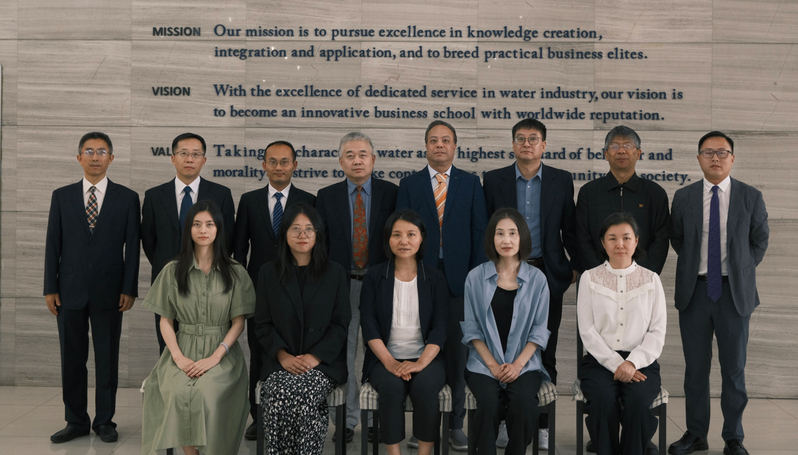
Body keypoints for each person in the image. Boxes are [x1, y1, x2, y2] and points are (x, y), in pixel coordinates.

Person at [668, 132, 769, 455]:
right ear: (699, 158)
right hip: (695, 293)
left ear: (732, 158)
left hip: (733, 295)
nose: (715, 158)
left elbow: (759, 241)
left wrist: (740, 269)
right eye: (708, 152)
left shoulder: (750, 197)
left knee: (734, 370)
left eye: (722, 152)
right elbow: (678, 239)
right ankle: (696, 434)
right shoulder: (684, 197)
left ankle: (733, 437)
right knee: (695, 370)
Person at [482, 119, 577, 447]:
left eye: (533, 139)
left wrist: (571, 269)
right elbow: (487, 230)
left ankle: (542, 424)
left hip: (546, 276)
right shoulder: (494, 180)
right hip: (504, 274)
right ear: (513, 144)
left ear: (544, 145)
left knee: (545, 352)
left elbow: (570, 229)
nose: (526, 144)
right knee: (503, 349)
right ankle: (505, 423)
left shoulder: (561, 180)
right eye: (520, 139)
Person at [396, 120, 487, 451]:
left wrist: (476, 278)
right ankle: (424, 428)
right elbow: (401, 233)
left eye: (445, 140)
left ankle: (456, 425)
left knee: (458, 355)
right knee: (421, 351)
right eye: (433, 140)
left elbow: (480, 232)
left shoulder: (470, 183)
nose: (439, 145)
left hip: (461, 281)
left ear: (454, 147)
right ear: (425, 146)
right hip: (419, 279)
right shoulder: (409, 184)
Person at [44, 132, 140, 444]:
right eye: (89, 151)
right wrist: (50, 287)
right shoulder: (62, 196)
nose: (95, 156)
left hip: (110, 292)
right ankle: (75, 420)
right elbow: (53, 244)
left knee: (107, 358)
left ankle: (104, 421)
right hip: (68, 291)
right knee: (72, 359)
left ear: (111, 158)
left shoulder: (127, 198)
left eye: (101, 151)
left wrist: (129, 288)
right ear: (79, 157)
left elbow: (133, 248)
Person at [140, 200, 255, 455]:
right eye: (197, 224)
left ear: (218, 229)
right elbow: (165, 321)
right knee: (177, 393)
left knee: (206, 393)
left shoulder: (235, 272)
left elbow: (238, 322)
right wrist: (178, 357)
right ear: (188, 229)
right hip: (182, 349)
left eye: (210, 224)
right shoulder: (172, 270)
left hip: (222, 354)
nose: (203, 230)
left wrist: (215, 357)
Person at [316, 132, 398, 442]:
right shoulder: (326, 196)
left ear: (373, 159)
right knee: (344, 353)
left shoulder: (392, 193)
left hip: (381, 284)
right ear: (340, 161)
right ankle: (347, 420)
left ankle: (377, 418)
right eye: (350, 155)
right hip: (343, 285)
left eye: (363, 154)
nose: (357, 160)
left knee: (381, 351)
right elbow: (321, 245)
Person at [233, 140, 316, 439]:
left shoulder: (309, 201)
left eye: (284, 162)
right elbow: (239, 249)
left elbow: (315, 246)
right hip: (259, 291)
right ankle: (259, 417)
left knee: (296, 348)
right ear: (264, 165)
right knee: (260, 351)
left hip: (299, 290)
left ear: (295, 165)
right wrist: (243, 289)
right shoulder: (249, 200)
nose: (279, 167)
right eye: (273, 161)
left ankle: (297, 412)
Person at [254, 204, 350, 454]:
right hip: (280, 360)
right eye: (295, 229)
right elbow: (262, 324)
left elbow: (340, 325)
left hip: (323, 363)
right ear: (285, 234)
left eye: (309, 229)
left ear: (318, 234)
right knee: (279, 392)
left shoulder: (335, 273)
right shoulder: (268, 273)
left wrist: (314, 357)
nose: (302, 235)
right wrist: (283, 356)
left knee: (302, 393)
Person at [461, 208, 551, 455]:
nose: (506, 240)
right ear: (492, 238)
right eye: (499, 233)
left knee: (524, 404)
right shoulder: (475, 277)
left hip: (525, 363)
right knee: (488, 404)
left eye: (513, 233)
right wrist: (492, 365)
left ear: (523, 237)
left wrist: (517, 365)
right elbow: (472, 329)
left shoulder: (537, 279)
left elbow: (539, 331)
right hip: (483, 363)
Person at [360, 209, 448, 455]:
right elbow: (369, 325)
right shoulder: (375, 277)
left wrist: (420, 363)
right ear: (388, 239)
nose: (404, 241)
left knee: (425, 388)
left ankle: (424, 452)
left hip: (427, 358)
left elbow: (440, 328)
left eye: (411, 234)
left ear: (421, 238)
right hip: (384, 358)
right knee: (391, 388)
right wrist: (390, 362)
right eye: (396, 234)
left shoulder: (434, 278)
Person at [577, 212, 666, 455]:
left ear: (636, 241)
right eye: (612, 238)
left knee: (638, 401)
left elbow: (657, 332)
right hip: (599, 360)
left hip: (641, 362)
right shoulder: (589, 278)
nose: (620, 244)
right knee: (602, 399)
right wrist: (617, 364)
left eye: (626, 238)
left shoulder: (651, 280)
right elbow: (587, 331)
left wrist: (632, 362)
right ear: (603, 242)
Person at [141, 132, 235, 353]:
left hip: (210, 280)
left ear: (204, 159)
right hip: (167, 279)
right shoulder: (154, 196)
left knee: (207, 346)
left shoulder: (221, 194)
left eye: (196, 154)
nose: (190, 159)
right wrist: (171, 265)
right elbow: (149, 240)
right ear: (173, 158)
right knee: (168, 345)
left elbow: (227, 238)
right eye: (183, 153)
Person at [575, 125, 669, 274]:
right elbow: (581, 239)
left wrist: (643, 275)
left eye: (627, 145)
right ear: (606, 154)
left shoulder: (655, 194)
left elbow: (661, 241)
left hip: (642, 279)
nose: (621, 151)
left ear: (638, 153)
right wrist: (599, 274)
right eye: (614, 146)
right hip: (596, 278)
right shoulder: (589, 192)